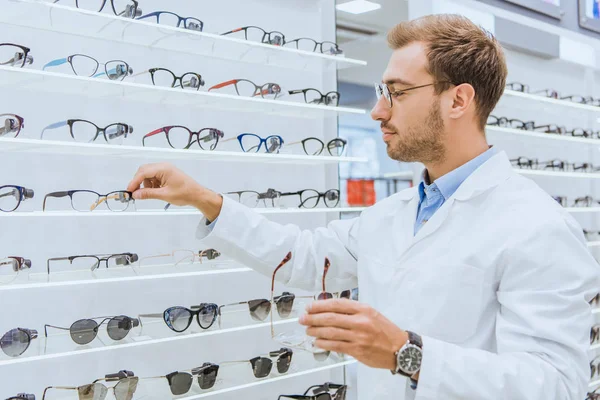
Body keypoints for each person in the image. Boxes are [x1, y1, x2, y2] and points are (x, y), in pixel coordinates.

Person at [127, 14, 599, 400]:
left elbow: (556, 385)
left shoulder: (536, 226)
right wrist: (202, 199)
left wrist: (405, 354)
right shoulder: (392, 214)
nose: (377, 110)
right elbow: (304, 256)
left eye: (396, 91)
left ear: (458, 100)